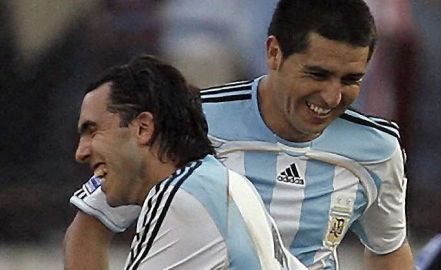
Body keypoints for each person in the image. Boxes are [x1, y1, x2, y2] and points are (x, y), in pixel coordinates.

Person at [64, 0, 414, 269]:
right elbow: (90, 229)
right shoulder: (193, 119)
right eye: (318, 75)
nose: (332, 96)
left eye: (351, 79)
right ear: (273, 53)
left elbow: (389, 249)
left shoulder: (378, 150)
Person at [66, 55, 306, 270]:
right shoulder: (229, 185)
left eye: (92, 130)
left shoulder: (182, 198)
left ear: (143, 128)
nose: (81, 152)